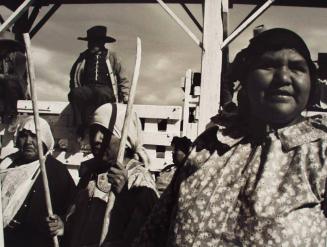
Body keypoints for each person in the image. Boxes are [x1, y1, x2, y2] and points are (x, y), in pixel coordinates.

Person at [134, 28, 327, 246]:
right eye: (268, 65)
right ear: (245, 76)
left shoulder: (320, 154)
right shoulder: (210, 145)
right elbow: (154, 234)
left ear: (311, 83)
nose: (283, 77)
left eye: (297, 67)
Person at [49, 103, 158, 247]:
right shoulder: (90, 173)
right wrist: (64, 226)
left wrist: (124, 196)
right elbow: (78, 219)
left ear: (125, 139)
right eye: (94, 131)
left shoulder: (139, 179)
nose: (96, 139)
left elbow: (150, 232)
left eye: (105, 132)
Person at [0, 116, 76, 247]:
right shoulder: (7, 165)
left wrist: (62, 223)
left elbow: (73, 208)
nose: (28, 141)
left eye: (35, 136)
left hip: (37, 241)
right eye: (24, 136)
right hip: (6, 239)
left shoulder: (57, 171)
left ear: (45, 140)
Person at [68, 25, 130, 138]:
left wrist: (125, 95)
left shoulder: (111, 56)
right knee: (75, 94)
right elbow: (74, 74)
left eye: (95, 42)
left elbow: (123, 76)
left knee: (102, 94)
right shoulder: (83, 56)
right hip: (88, 87)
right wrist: (74, 88)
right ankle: (80, 126)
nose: (91, 45)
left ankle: (101, 126)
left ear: (102, 43)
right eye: (90, 42)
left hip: (105, 88)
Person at [0, 29, 28, 129]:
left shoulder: (19, 57)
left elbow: (18, 78)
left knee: (9, 82)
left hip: (18, 88)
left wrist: (2, 77)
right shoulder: (2, 58)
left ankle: (13, 115)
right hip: (4, 89)